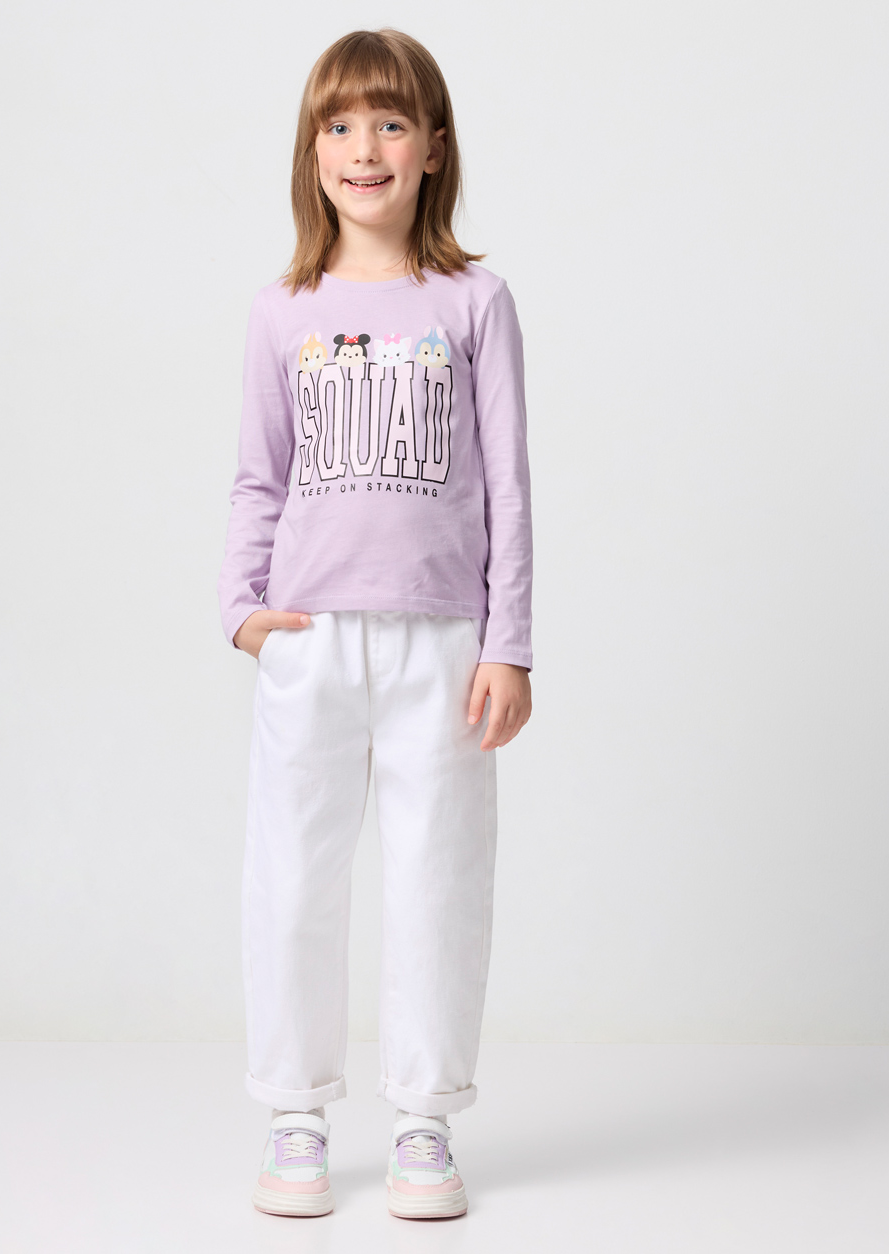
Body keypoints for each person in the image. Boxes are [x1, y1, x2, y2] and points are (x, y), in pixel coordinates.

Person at [216, 27, 533, 1220]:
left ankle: (422, 1122)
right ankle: (295, 1113)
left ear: (433, 149)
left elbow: (508, 485)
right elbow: (258, 475)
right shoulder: (281, 310)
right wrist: (245, 612)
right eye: (340, 126)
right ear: (312, 152)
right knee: (292, 876)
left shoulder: (475, 302)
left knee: (437, 877)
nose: (365, 148)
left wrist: (508, 643)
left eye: (391, 123)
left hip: (442, 644)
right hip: (310, 642)